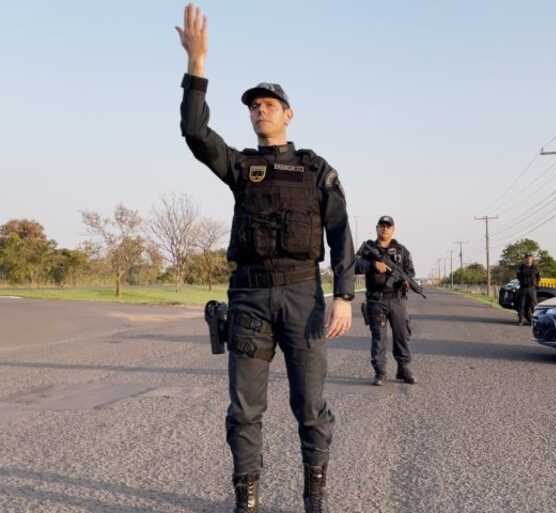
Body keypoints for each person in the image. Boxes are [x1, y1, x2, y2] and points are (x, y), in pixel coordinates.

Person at [176, 5, 354, 512]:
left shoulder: (316, 169)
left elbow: (340, 230)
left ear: (288, 113)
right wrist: (198, 66)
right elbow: (195, 134)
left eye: (270, 103)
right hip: (250, 298)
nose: (260, 110)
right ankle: (246, 500)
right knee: (245, 410)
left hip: (303, 296)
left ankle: (314, 498)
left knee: (309, 407)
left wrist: (344, 295)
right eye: (254, 105)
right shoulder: (240, 166)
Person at [355, 216, 416, 386]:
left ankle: (403, 369)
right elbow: (353, 266)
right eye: (382, 226)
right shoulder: (369, 249)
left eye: (388, 226)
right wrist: (373, 266)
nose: (385, 229)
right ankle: (380, 372)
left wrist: (407, 280)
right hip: (376, 300)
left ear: (393, 229)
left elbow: (410, 272)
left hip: (397, 300)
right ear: (376, 228)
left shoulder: (401, 250)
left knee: (402, 335)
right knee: (379, 338)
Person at [515, 253, 541, 325]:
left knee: (534, 306)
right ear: (524, 259)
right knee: (521, 305)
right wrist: (523, 281)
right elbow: (518, 276)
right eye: (527, 259)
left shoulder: (535, 267)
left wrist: (535, 284)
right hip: (523, 288)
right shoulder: (520, 267)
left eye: (530, 259)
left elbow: (538, 277)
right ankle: (521, 321)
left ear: (532, 259)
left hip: (532, 289)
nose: (528, 260)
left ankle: (535, 321)